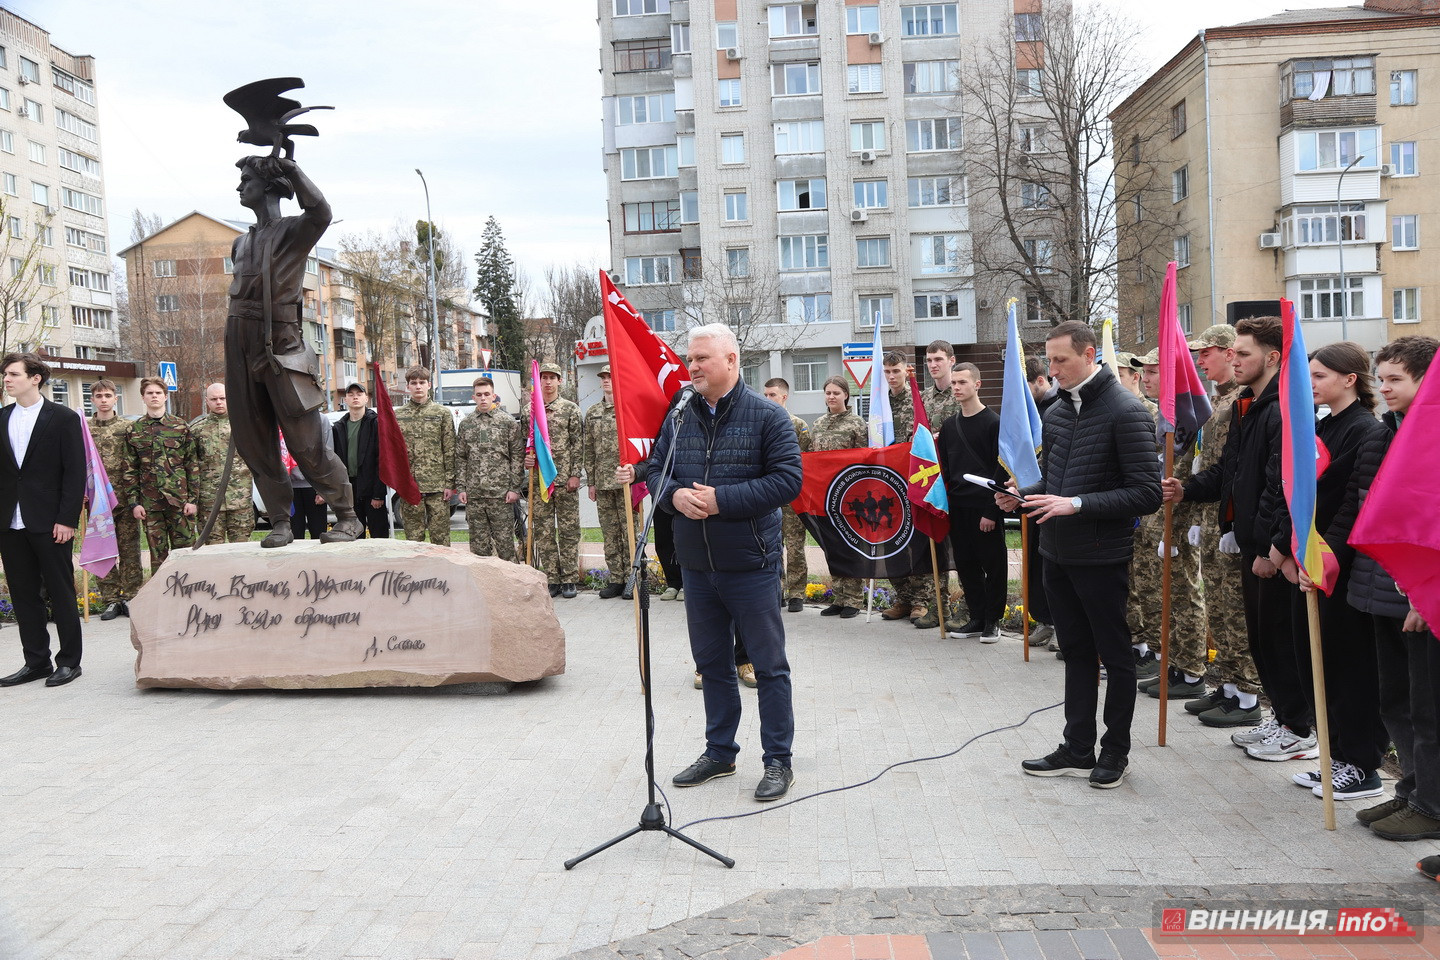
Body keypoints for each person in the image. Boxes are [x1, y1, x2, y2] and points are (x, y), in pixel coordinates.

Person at [1000, 321, 1162, 789]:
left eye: (1060, 361)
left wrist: (1077, 504)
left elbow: (1146, 493)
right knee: (1075, 653)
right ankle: (1076, 747)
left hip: (1101, 555)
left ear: (1090, 354)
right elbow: (1056, 482)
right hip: (1056, 552)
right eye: (1048, 361)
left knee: (1114, 655)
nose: (1052, 371)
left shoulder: (1126, 411)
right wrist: (1021, 495)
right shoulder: (1055, 412)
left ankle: (1115, 752)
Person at [654, 323, 802, 801]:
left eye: (701, 359)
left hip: (751, 565)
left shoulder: (768, 417)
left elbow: (787, 482)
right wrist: (675, 496)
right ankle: (720, 753)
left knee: (769, 666)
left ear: (732, 360)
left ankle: (778, 760)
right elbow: (655, 471)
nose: (691, 367)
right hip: (697, 566)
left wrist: (724, 500)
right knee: (712, 664)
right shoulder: (678, 414)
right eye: (689, 359)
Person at [1167, 316, 1316, 763]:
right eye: (1232, 351)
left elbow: (1282, 484)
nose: (1235, 359)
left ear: (1272, 357)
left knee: (1277, 640)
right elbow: (1230, 473)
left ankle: (1299, 729)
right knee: (1261, 641)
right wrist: (1187, 489)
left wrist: (1274, 546)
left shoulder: (1281, 408)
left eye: (1244, 352)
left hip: (1270, 550)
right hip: (1249, 542)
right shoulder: (1246, 405)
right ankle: (1285, 717)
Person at [1329, 336, 1439, 838]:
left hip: (1420, 594)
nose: (1385, 388)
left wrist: (1425, 593)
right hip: (1381, 586)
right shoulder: (1384, 432)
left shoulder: (1431, 435)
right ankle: (1412, 791)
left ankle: (1432, 805)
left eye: (1397, 379)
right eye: (1383, 377)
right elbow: (1364, 505)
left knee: (1428, 707)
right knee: (1393, 697)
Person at [224, 154, 361, 547]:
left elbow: (321, 212)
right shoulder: (241, 242)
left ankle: (348, 517)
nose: (239, 187)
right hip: (239, 341)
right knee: (254, 441)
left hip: (281, 344)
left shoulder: (293, 231)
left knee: (305, 442)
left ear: (267, 187)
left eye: (246, 179)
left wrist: (293, 170)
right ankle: (280, 521)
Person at [1273, 341, 1388, 801]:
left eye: (1319, 376)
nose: (1312, 384)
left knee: (1348, 668)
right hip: (1312, 559)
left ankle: (1362, 765)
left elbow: (1339, 498)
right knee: (1315, 662)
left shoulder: (1363, 430)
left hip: (1338, 564)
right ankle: (1337, 754)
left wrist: (1312, 555)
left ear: (1349, 380)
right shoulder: (1327, 424)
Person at [1180, 325, 1263, 728]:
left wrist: (1229, 521)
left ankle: (1247, 696)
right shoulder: (1219, 401)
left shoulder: (1242, 402)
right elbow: (1209, 465)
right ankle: (1229, 686)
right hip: (1211, 516)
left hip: (1228, 518)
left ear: (1230, 354)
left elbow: (1234, 470)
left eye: (1206, 353)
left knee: (1235, 610)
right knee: (1217, 604)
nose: (1200, 361)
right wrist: (1198, 516)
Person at [0, 353, 85, 688]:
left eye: (13, 374)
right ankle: (36, 661)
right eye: (4, 374)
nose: (6, 379)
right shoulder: (2, 417)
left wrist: (67, 519)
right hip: (10, 522)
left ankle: (69, 662)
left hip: (51, 523)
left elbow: (75, 472)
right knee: (23, 594)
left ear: (35, 378)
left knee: (61, 592)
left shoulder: (62, 418)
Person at [1130, 348, 1208, 700]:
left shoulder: (1188, 418)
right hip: (1152, 519)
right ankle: (1170, 662)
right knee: (1157, 596)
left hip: (1175, 522)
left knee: (1182, 596)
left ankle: (1190, 670)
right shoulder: (1163, 417)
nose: (1146, 379)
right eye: (1144, 373)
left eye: (1152, 373)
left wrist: (1179, 527)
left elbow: (1193, 473)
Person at [938, 362, 1006, 642]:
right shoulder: (949, 426)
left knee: (993, 565)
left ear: (977, 385)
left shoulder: (994, 422)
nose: (956, 387)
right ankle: (977, 617)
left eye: (962, 382)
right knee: (966, 565)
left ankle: (993, 621)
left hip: (986, 507)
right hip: (958, 507)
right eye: (953, 383)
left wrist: (992, 510)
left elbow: (1001, 468)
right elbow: (943, 469)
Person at [122, 377, 200, 573]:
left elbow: (192, 464)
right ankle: (162, 599)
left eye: (158, 393)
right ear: (143, 398)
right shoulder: (134, 430)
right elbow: (130, 468)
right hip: (150, 504)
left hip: (180, 503)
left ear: (165, 396)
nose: (154, 396)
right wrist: (134, 503)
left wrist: (192, 499)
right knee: (158, 558)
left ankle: (188, 597)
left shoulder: (180, 426)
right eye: (150, 393)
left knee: (186, 554)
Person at [809, 375, 867, 619]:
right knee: (832, 545)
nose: (831, 397)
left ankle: (854, 598)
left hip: (850, 494)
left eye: (836, 392)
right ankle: (839, 597)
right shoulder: (819, 423)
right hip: (825, 495)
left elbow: (865, 458)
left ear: (846, 395)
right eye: (828, 392)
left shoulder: (857, 424)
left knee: (851, 544)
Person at [525, 362, 583, 597]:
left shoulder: (571, 409)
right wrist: (527, 460)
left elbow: (577, 444)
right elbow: (526, 443)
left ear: (560, 381)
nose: (548, 382)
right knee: (545, 532)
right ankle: (552, 579)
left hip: (564, 480)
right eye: (544, 377)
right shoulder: (530, 410)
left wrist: (575, 474)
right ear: (538, 382)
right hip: (541, 481)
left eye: (553, 377)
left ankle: (569, 579)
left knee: (569, 532)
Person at [879, 352, 930, 623]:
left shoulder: (917, 400)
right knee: (892, 537)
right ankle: (903, 597)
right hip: (889, 481)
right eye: (887, 372)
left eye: (895, 371)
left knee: (917, 538)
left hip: (914, 477)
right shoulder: (880, 402)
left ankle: (922, 600)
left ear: (905, 371)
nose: (891, 377)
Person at [86, 380, 141, 621]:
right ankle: (111, 599)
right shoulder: (85, 430)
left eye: (108, 395)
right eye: (99, 396)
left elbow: (136, 462)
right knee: (102, 548)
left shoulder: (128, 427)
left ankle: (131, 597)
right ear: (92, 400)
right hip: (98, 502)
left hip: (125, 499)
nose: (104, 399)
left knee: (130, 550)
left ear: (116, 398)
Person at [582, 365, 636, 597]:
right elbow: (589, 449)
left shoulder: (629, 409)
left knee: (630, 532)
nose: (606, 380)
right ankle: (616, 579)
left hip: (626, 481)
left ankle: (634, 579)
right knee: (610, 534)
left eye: (610, 376)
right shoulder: (593, 412)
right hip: (603, 482)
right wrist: (591, 481)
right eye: (603, 377)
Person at [456, 376, 523, 561]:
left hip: (501, 495)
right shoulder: (466, 424)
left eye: (487, 394)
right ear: (473, 397)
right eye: (479, 395)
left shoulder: (507, 422)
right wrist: (461, 487)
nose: (483, 398)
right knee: (478, 548)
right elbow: (461, 457)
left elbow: (517, 456)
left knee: (505, 546)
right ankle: (484, 587)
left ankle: (510, 586)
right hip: (475, 495)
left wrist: (514, 488)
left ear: (494, 396)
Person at [762, 378, 811, 613]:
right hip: (768, 496)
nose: (768, 399)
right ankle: (776, 590)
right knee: (771, 545)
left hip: (792, 497)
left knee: (795, 546)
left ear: (784, 396)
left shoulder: (798, 425)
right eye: (766, 395)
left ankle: (797, 593)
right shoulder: (759, 422)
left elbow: (806, 460)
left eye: (773, 395)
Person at [394, 366, 456, 546]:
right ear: (408, 387)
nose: (418, 387)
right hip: (411, 487)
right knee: (414, 540)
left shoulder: (442, 413)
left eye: (422, 382)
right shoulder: (398, 416)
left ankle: (443, 574)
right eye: (414, 383)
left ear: (429, 385)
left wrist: (449, 484)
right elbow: (395, 453)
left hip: (437, 487)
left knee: (441, 539)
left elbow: (449, 449)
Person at [1022, 355, 1057, 650]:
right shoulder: (1027, 408)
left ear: (1041, 381)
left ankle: (1060, 625)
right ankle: (1045, 620)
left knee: (1053, 565)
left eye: (1026, 387)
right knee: (1036, 564)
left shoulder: (1057, 407)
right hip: (1032, 497)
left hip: (1056, 499)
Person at [192, 383, 256, 545]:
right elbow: (191, 466)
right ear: (207, 401)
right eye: (214, 399)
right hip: (210, 502)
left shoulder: (245, 427)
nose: (219, 402)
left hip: (240, 499)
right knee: (213, 551)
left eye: (223, 398)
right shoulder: (197, 430)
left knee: (241, 549)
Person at [331, 383, 390, 539]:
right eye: (351, 394)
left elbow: (382, 459)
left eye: (359, 394)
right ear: (346, 399)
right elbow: (335, 460)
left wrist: (378, 494)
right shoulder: (339, 427)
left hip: (371, 489)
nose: (355, 397)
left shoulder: (376, 423)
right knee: (353, 536)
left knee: (379, 535)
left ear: (366, 398)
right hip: (350, 490)